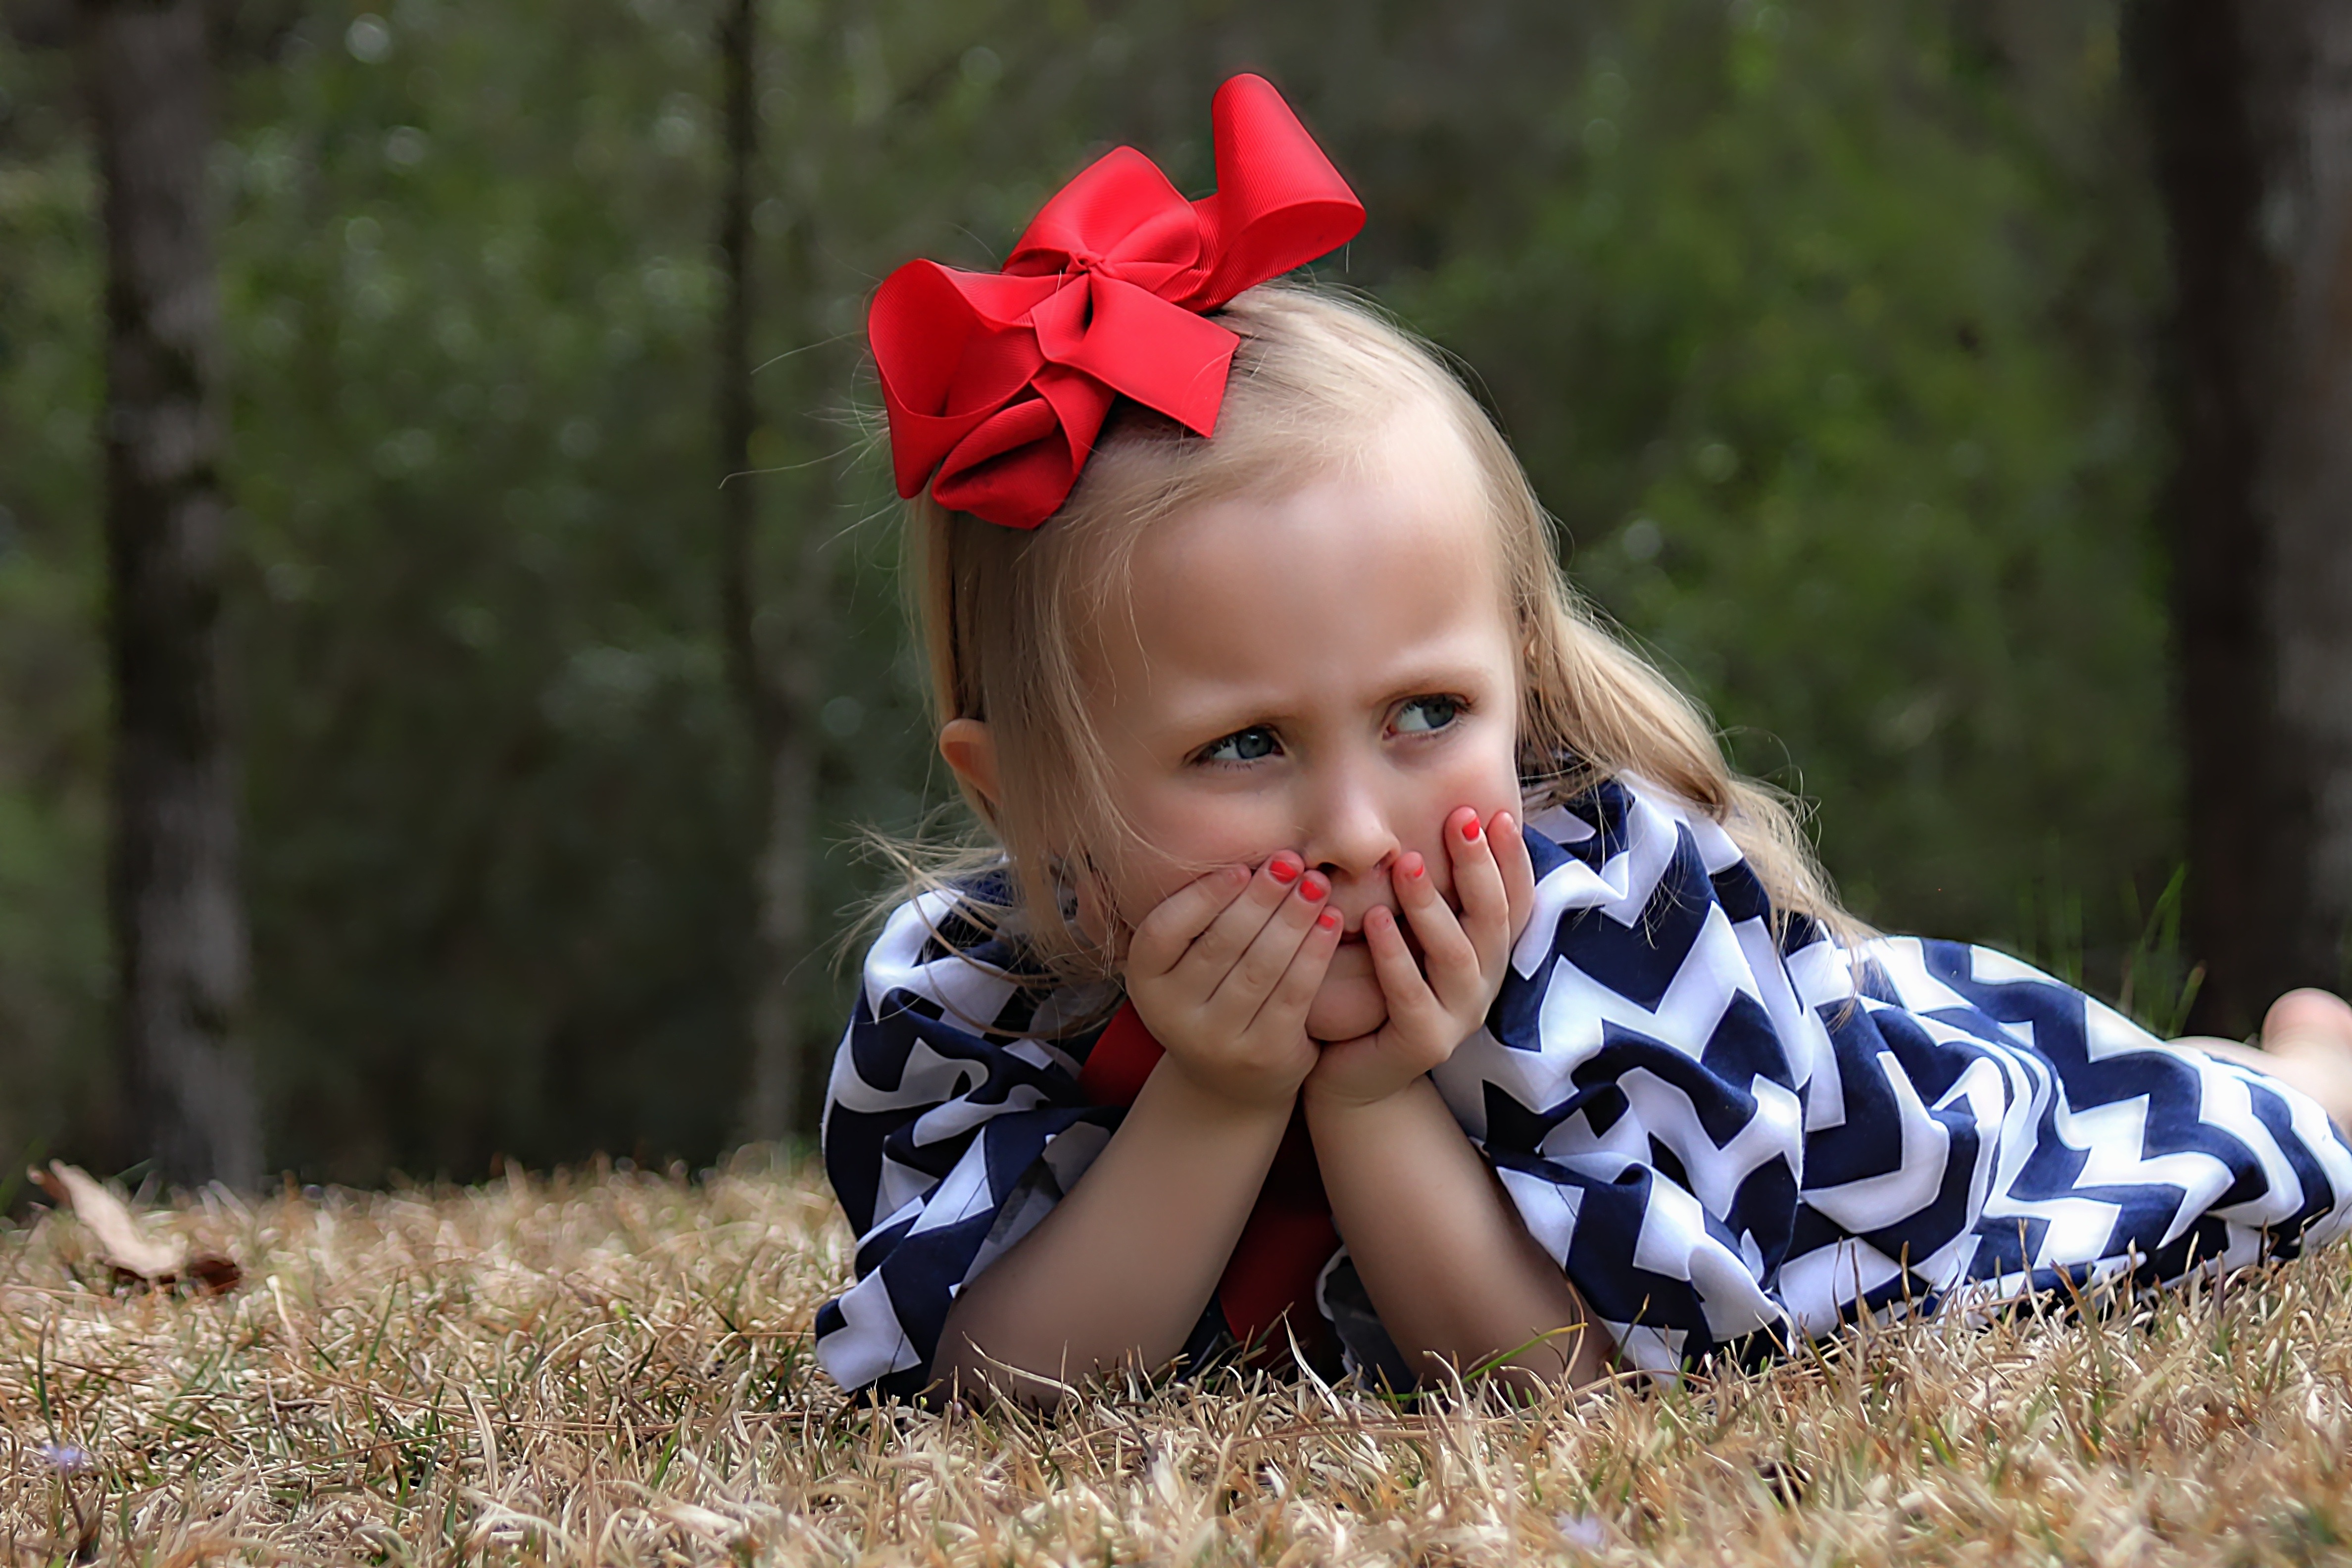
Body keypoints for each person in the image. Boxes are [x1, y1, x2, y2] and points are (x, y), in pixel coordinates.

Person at [814, 76, 2352, 1406]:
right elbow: (998, 1388)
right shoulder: (975, 1004)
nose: (1360, 826)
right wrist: (1213, 1099)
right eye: (1243, 748)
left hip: (1887, 1109)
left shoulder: (1610, 928)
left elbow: (1566, 1386)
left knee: (2179, 1142)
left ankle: (2306, 1069)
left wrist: (1367, 1095)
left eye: (1430, 715)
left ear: (1521, 683)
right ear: (1031, 807)